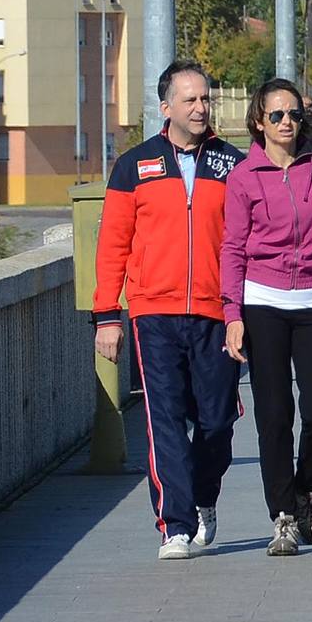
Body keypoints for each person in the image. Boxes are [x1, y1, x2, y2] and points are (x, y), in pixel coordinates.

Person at [93, 60, 243, 561]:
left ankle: (204, 496)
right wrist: (106, 316)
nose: (201, 108)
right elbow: (113, 243)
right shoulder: (134, 166)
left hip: (217, 312)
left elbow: (250, 240)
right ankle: (174, 524)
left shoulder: (232, 164)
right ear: (166, 107)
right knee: (165, 419)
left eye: (206, 99)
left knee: (218, 421)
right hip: (152, 313)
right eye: (190, 100)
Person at [221, 78, 312, 557]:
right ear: (258, 122)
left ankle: (307, 490)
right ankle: (282, 516)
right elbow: (234, 248)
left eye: (294, 115)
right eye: (277, 115)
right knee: (274, 412)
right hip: (262, 301)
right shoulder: (244, 177)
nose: (288, 123)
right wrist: (232, 313)